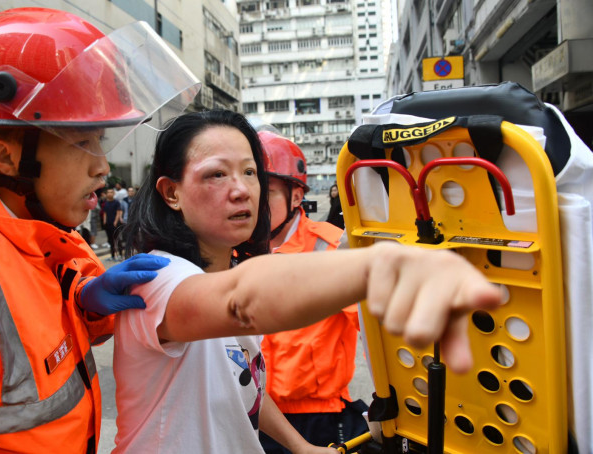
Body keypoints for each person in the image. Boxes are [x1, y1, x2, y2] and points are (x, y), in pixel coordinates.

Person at [113, 110, 502, 453]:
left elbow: (241, 383)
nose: (242, 190)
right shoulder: (156, 278)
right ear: (171, 193)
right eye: (217, 174)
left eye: (250, 172)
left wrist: (301, 448)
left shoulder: (225, 270)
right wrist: (382, 265)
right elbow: (242, 302)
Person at [0, 7, 199, 453]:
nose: (102, 165)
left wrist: (83, 302)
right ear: (8, 158)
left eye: (101, 139)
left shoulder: (31, 227)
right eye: (82, 141)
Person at [256, 131, 364, 453]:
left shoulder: (331, 248)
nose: (253, 201)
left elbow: (381, 333)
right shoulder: (232, 252)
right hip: (253, 412)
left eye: (267, 192)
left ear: (296, 196)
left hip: (319, 418)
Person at [101, 187, 123, 261]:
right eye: (108, 192)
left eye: (111, 192)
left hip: (115, 224)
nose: (109, 193)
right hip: (108, 224)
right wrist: (104, 222)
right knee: (110, 241)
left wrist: (115, 222)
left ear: (113, 194)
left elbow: (118, 212)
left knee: (117, 240)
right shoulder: (106, 203)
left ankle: (120, 255)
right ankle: (112, 256)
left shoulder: (116, 202)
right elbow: (105, 213)